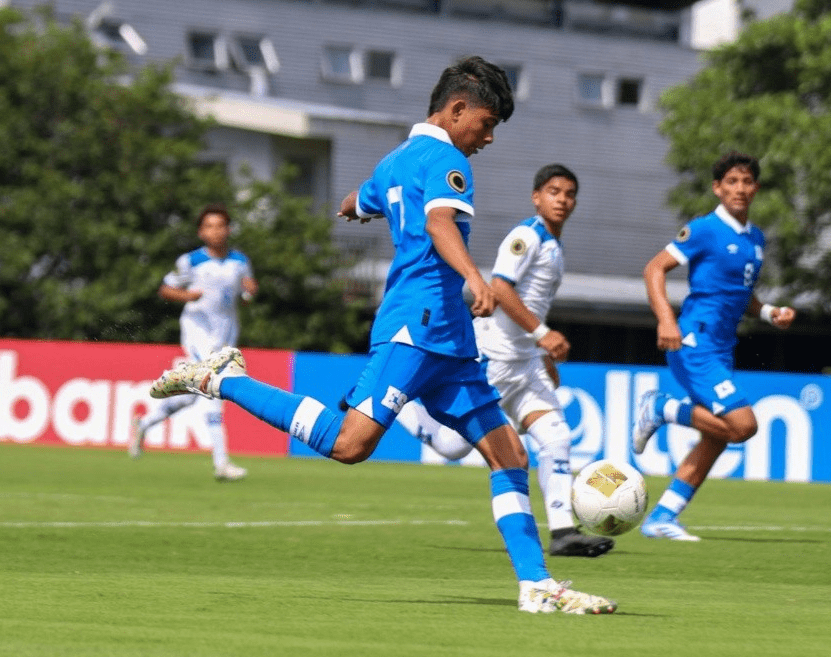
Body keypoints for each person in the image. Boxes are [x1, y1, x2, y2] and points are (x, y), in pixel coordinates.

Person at [149, 57, 616, 614]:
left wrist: (354, 210)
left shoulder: (396, 161)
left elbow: (359, 199)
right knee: (350, 445)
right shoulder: (447, 161)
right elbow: (442, 223)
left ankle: (538, 586)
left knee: (509, 454)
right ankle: (224, 380)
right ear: (457, 109)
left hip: (453, 344)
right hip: (416, 330)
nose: (489, 137)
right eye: (486, 123)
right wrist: (473, 276)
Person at [394, 164, 614, 557]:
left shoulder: (553, 243)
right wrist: (542, 333)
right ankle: (399, 404)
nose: (562, 199)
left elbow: (532, 302)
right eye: (554, 191)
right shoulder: (526, 236)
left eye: (568, 193)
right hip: (493, 358)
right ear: (536, 197)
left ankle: (563, 532)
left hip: (526, 363)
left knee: (557, 438)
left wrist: (540, 350)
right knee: (451, 445)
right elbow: (499, 288)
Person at [632, 151, 796, 541]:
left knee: (718, 436)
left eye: (746, 182)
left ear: (755, 188)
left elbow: (742, 296)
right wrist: (667, 320)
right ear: (717, 188)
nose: (740, 189)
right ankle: (661, 407)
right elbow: (654, 268)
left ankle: (662, 518)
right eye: (732, 182)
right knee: (743, 426)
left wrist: (771, 312)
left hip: (720, 348)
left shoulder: (755, 238)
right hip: (694, 342)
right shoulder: (704, 229)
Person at [129, 204, 258, 481]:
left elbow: (246, 292)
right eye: (209, 226)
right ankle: (221, 463)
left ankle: (144, 423)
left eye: (221, 225)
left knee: (190, 394)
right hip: (197, 331)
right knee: (213, 389)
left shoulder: (240, 261)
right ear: (201, 232)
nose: (216, 231)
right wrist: (187, 297)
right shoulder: (191, 261)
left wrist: (249, 293)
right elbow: (166, 288)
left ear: (229, 229)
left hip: (225, 335)